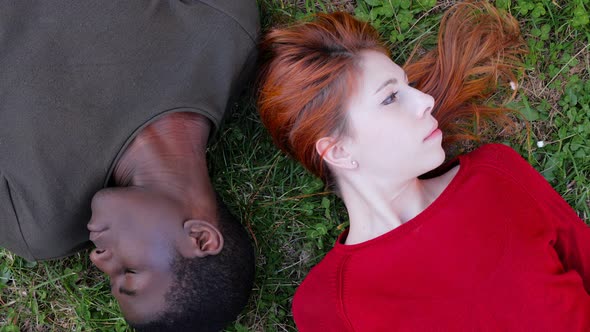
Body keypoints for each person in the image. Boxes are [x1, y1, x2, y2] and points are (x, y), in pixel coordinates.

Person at [257, 2, 590, 331]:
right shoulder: (327, 305)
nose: (425, 100)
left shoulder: (496, 174)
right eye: (390, 98)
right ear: (339, 152)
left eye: (407, 85)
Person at [0, 1, 258, 330]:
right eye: (130, 272)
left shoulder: (38, 223)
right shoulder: (222, 33)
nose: (97, 259)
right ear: (200, 238)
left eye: (111, 277)